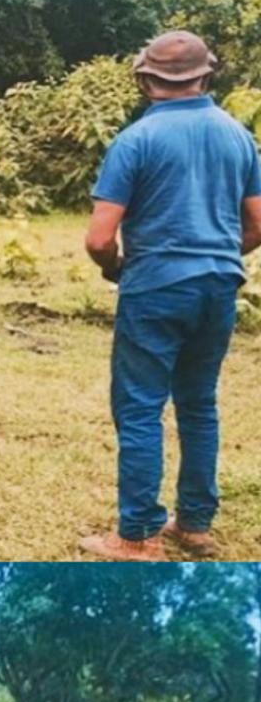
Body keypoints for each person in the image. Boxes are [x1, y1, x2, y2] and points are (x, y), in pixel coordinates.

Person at [80, 31, 261, 562]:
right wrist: (221, 254)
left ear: (145, 79)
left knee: (139, 408)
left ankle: (136, 534)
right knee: (198, 405)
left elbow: (97, 236)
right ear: (207, 75)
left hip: (156, 285)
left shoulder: (136, 140)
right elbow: (256, 224)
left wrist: (116, 267)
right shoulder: (237, 135)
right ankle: (195, 524)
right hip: (219, 285)